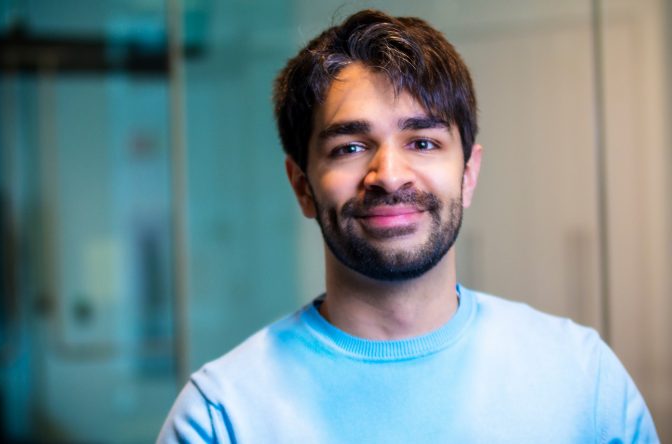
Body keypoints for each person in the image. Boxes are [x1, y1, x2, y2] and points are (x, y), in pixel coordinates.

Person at [158, 9, 658, 443]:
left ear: (469, 173)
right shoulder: (221, 418)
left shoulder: (584, 382)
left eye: (422, 142)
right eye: (349, 147)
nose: (390, 176)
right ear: (302, 186)